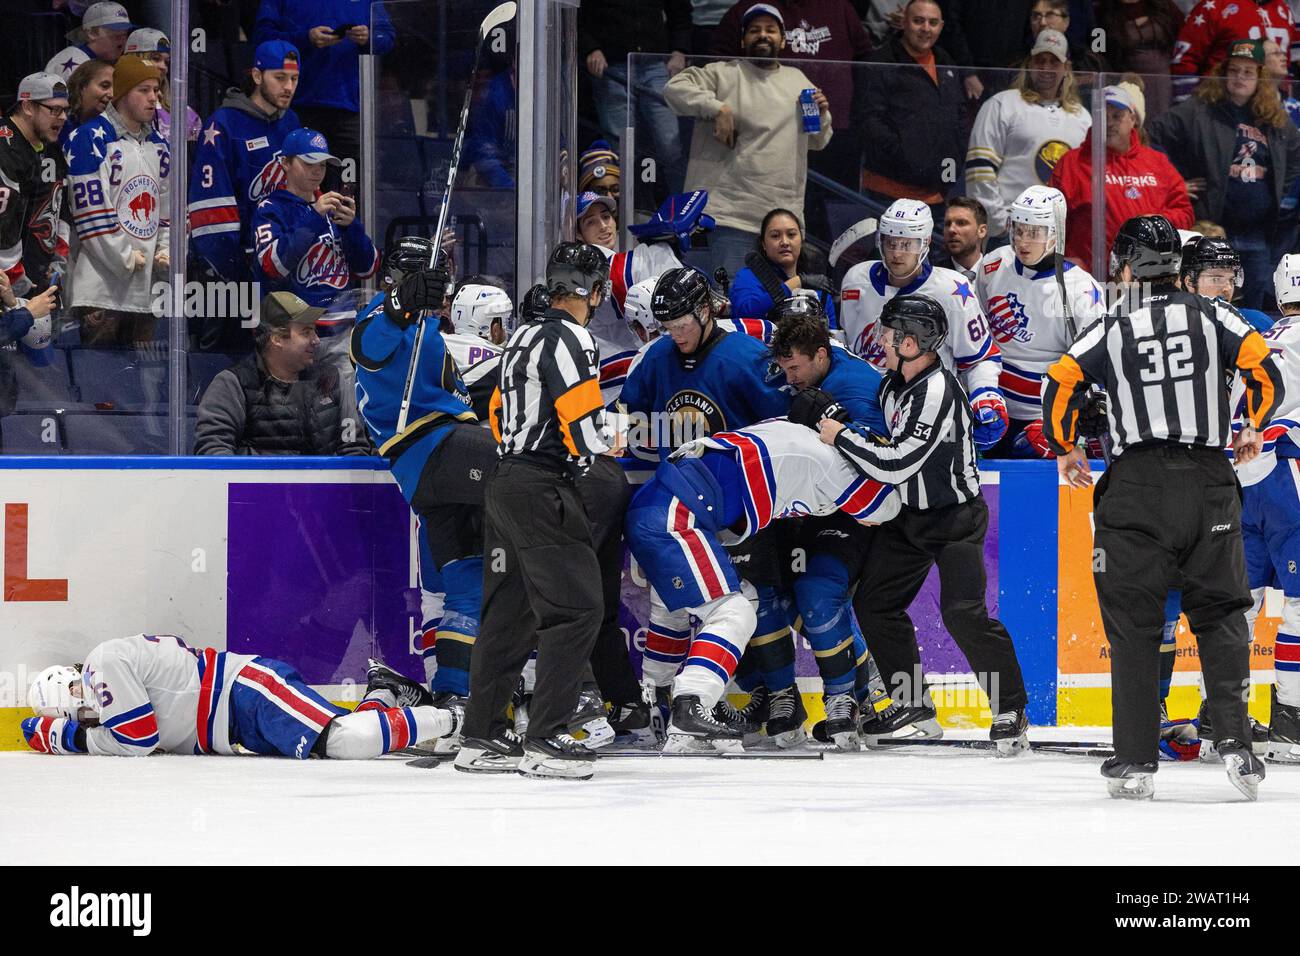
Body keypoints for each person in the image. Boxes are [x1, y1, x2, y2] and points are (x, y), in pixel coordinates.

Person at [1043, 213, 1283, 800]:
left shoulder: (1112, 322)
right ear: (1177, 263)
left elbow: (1061, 382)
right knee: (1223, 615)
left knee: (1135, 626)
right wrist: (1252, 425)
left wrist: (1066, 446)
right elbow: (1264, 369)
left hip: (1137, 487)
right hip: (1208, 482)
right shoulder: (1214, 313)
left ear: (1127, 265)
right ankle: (1236, 749)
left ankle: (1134, 761)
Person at [824, 292, 1031, 754]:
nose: (880, 337)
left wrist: (841, 437)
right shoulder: (894, 382)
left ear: (913, 341)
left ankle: (1010, 709)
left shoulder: (938, 390)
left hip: (955, 519)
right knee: (875, 604)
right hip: (910, 518)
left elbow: (899, 463)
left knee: (964, 614)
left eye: (890, 332)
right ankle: (911, 704)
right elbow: (890, 441)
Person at [627, 415, 898, 750]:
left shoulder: (788, 430)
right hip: (678, 516)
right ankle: (692, 703)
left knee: (674, 612)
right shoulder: (829, 460)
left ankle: (656, 706)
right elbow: (882, 509)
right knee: (736, 613)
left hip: (653, 506)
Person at [620, 267, 800, 740]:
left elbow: (783, 431)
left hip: (739, 508)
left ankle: (780, 702)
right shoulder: (657, 357)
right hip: (681, 508)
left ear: (705, 311)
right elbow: (629, 416)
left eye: (681, 324)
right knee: (672, 607)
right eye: (667, 326)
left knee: (759, 604)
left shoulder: (746, 357)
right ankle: (663, 705)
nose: (674, 335)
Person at [457, 242, 614, 780]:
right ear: (593, 291)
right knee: (577, 610)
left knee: (509, 616)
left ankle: (479, 736)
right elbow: (583, 422)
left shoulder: (521, 335)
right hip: (544, 486)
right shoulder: (573, 337)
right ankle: (546, 737)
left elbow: (500, 417)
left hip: (505, 484)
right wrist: (605, 438)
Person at [352, 237, 492, 722]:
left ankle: (452, 697)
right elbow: (367, 349)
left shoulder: (431, 329)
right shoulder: (380, 317)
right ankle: (565, 689)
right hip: (435, 451)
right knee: (530, 478)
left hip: (436, 477)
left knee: (466, 582)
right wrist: (400, 301)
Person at [769, 304, 893, 749]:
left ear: (821, 355)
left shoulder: (857, 389)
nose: (790, 378)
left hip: (850, 511)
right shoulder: (809, 372)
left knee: (818, 596)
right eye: (784, 368)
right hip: (801, 508)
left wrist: (839, 436)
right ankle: (869, 681)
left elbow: (879, 462)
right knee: (773, 599)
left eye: (796, 368)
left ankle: (842, 698)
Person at [22, 634, 460, 759]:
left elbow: (137, 739)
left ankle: (453, 718)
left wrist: (64, 737)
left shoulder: (103, 661)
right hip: (238, 722)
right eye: (79, 715)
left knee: (343, 741)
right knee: (334, 736)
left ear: (74, 679)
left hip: (245, 690)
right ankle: (384, 690)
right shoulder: (109, 675)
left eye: (77, 700)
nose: (88, 711)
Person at [665, 3, 832, 277]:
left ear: (782, 38)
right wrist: (717, 108)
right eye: (754, 30)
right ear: (743, 40)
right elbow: (674, 89)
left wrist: (823, 114)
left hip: (782, 222)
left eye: (770, 30)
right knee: (733, 308)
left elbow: (818, 141)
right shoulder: (722, 73)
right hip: (732, 217)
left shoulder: (798, 80)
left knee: (776, 310)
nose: (763, 35)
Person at [839, 198, 1007, 452]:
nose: (896, 253)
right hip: (866, 412)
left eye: (907, 244)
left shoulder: (951, 290)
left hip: (928, 412)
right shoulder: (856, 280)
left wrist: (985, 395)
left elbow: (978, 357)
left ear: (926, 243)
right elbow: (850, 347)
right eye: (891, 242)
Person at [1149, 39, 1300, 309]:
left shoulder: (1273, 119)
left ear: (1260, 77)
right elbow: (1153, 135)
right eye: (1233, 70)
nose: (1239, 77)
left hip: (1257, 235)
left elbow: (1294, 156)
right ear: (1222, 72)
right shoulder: (1199, 111)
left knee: (1251, 311)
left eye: (1248, 71)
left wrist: (1277, 191)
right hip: (1213, 231)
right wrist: (1174, 184)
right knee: (1207, 308)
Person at [708, 0, 873, 223]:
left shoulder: (841, 7)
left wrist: (857, 113)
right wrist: (725, 109)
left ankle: (831, 258)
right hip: (769, 134)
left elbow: (866, 61)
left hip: (834, 130)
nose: (762, 33)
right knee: (778, 215)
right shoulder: (748, 9)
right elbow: (720, 63)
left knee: (836, 208)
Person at [1230, 253, 1300, 763]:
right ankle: (1292, 716)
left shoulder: (1255, 341)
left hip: (1240, 479)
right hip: (1288, 480)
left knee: (1240, 605)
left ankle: (1224, 713)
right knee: (1299, 606)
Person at [974, 186, 1105, 457]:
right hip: (994, 404)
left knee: (1037, 446)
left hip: (1043, 413)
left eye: (1034, 232)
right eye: (1019, 229)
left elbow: (1094, 368)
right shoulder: (993, 265)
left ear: (1056, 232)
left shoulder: (1080, 290)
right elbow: (973, 341)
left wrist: (1074, 418)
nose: (1023, 241)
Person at [252, 127, 379, 376]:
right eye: (309, 163)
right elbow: (273, 266)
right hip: (291, 333)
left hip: (340, 330)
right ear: (286, 163)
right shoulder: (270, 209)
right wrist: (314, 217)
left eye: (322, 164)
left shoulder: (334, 207)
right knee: (290, 408)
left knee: (346, 409)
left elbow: (369, 267)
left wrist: (351, 227)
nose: (317, 170)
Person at [64, 55, 169, 350]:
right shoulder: (90, 138)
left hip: (145, 292)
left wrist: (165, 249)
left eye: (156, 91)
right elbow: (90, 211)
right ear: (122, 93)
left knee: (141, 387)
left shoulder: (159, 145)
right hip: (102, 292)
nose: (154, 99)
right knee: (101, 387)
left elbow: (167, 206)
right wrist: (124, 257)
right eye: (144, 90)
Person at [189, 40, 302, 307]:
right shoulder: (224, 123)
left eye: (295, 78)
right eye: (280, 77)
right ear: (256, 75)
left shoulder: (291, 122)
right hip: (236, 273)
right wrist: (231, 269)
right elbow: (211, 205)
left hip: (282, 264)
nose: (288, 87)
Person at [193, 291, 370, 456]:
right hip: (255, 489)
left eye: (314, 331)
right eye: (306, 332)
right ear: (276, 339)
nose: (316, 340)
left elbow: (354, 450)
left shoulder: (332, 379)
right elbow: (214, 454)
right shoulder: (232, 384)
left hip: (323, 490)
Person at [254, 0, 397, 193]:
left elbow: (387, 37)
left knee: (350, 192)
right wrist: (305, 38)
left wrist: (368, 37)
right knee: (296, 184)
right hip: (297, 107)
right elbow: (262, 38)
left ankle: (345, 224)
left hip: (350, 108)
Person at [1051, 79, 1193, 271]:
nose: (1109, 123)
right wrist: (1065, 262)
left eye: (1117, 116)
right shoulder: (1071, 163)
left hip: (1147, 275)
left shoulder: (1157, 162)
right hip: (1088, 277)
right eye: (1103, 117)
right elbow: (1053, 219)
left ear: (1132, 119)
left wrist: (1158, 222)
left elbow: (1185, 213)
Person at [965, 28, 1091, 242]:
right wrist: (998, 224)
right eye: (1040, 60)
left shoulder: (1082, 117)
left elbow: (1088, 178)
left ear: (1066, 68)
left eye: (1054, 62)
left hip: (1061, 233)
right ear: (1029, 64)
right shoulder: (1002, 104)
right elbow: (980, 169)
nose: (1046, 68)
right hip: (1012, 230)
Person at [858, 0, 966, 214]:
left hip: (936, 192)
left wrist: (953, 162)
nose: (926, 28)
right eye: (918, 21)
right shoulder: (882, 62)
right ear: (904, 23)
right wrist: (908, 158)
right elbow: (869, 121)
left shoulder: (947, 62)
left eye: (933, 22)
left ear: (941, 26)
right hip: (888, 191)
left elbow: (958, 118)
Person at [578, 0, 689, 196]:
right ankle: (622, 211)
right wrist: (590, 48)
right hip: (611, 66)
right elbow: (576, 15)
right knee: (621, 148)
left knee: (670, 144)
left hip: (655, 61)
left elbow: (680, 11)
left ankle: (682, 207)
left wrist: (680, 51)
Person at [1, 73, 70, 298]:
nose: (63, 118)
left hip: (40, 282)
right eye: (55, 110)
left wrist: (59, 257)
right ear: (28, 106)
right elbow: (3, 224)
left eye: (66, 110)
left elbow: (60, 204)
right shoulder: (5, 148)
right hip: (8, 285)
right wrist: (16, 279)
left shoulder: (51, 146)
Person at [1171, 0, 1297, 102]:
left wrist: (1283, 102)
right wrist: (1189, 106)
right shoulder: (1215, 6)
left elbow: (1287, 66)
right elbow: (1184, 60)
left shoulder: (1283, 9)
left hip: (1269, 106)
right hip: (1219, 105)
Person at [729, 207, 836, 324]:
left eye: (791, 234)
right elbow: (743, 314)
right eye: (775, 236)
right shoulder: (748, 277)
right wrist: (796, 282)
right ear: (763, 244)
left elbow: (832, 334)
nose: (784, 242)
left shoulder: (818, 288)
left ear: (801, 240)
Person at [1096, 0, 1185, 119]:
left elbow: (1184, 37)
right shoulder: (1101, 12)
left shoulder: (1164, 6)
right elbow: (1097, 49)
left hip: (1163, 81)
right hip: (1126, 81)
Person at [1, 273, 59, 452]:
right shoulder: (19, 318)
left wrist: (12, 304)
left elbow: (40, 355)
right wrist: (27, 313)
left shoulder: (9, 312)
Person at [121, 28, 201, 144]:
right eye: (156, 58)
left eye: (166, 61)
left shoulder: (184, 113)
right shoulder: (117, 106)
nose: (163, 67)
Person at [443, 282, 510, 418]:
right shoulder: (505, 364)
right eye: (506, 322)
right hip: (476, 434)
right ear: (495, 329)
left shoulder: (437, 342)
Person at [45, 1, 134, 81]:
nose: (122, 40)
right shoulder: (75, 61)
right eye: (115, 34)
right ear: (91, 33)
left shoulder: (113, 63)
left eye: (125, 33)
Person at [59, 59, 113, 154]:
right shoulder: (60, 127)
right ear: (82, 87)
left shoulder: (118, 132)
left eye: (117, 88)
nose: (112, 94)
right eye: (105, 86)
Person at [932, 196, 988, 282]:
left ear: (981, 231)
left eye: (961, 223)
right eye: (947, 224)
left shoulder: (998, 274)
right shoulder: (933, 277)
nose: (951, 229)